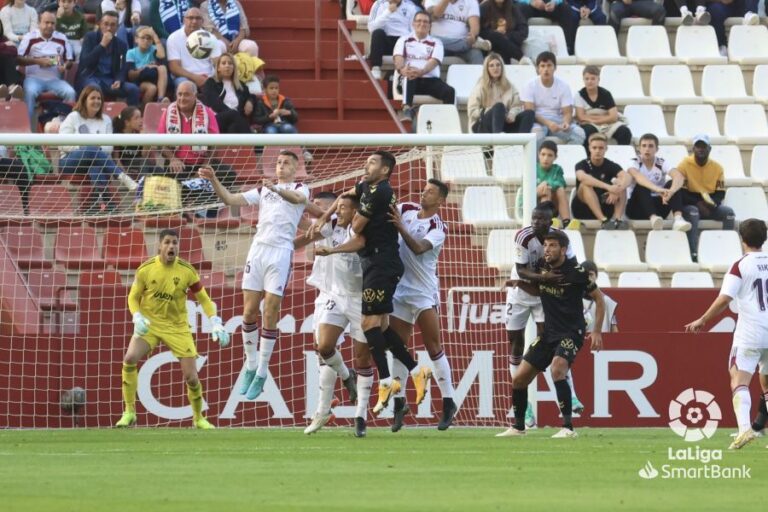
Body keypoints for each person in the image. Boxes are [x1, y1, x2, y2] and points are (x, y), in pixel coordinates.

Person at [312, 151, 432, 415]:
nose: (367, 166)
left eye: (373, 163)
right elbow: (346, 196)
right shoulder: (367, 186)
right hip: (374, 265)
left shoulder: (381, 192)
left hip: (382, 263)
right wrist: (325, 214)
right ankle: (416, 371)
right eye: (367, 162)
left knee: (369, 325)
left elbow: (357, 227)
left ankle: (387, 382)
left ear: (386, 170)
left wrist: (338, 238)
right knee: (381, 327)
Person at [198, 151, 324, 400]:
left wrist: (276, 190)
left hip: (280, 252)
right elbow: (231, 199)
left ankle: (263, 371)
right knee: (248, 311)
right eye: (277, 162)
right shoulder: (263, 190)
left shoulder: (301, 188)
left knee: (270, 311)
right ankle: (251, 364)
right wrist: (214, 180)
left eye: (286, 162)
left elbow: (297, 199)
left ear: (296, 168)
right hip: (257, 251)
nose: (280, 165)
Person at [115, 228, 230, 429]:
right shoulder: (146, 269)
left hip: (177, 327)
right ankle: (129, 412)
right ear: (159, 245)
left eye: (175, 243)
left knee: (191, 377)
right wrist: (137, 316)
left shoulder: (187, 271)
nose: (171, 246)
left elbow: (204, 299)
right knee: (130, 359)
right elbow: (133, 297)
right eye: (167, 242)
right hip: (150, 324)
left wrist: (216, 322)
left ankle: (198, 418)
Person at [498, 231, 605, 438]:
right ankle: (519, 427)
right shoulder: (542, 269)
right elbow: (541, 291)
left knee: (557, 369)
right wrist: (519, 284)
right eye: (546, 245)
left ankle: (567, 428)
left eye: (553, 245)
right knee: (519, 379)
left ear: (563, 250)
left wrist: (598, 331)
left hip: (572, 332)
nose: (547, 249)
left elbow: (599, 300)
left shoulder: (577, 272)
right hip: (549, 333)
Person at [685, 218, 768, 450]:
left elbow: (725, 299)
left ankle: (744, 430)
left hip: (750, 333)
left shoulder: (741, 265)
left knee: (739, 379)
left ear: (742, 240)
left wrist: (703, 319)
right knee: (767, 384)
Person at [500, 202, 581, 430]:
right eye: (534, 218)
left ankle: (569, 396)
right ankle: (524, 408)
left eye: (542, 219)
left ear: (551, 219)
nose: (537, 223)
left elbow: (572, 266)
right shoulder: (523, 237)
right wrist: (546, 278)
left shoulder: (560, 239)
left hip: (544, 297)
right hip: (520, 293)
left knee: (552, 343)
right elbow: (522, 269)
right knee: (515, 343)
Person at [386, 179, 457, 432]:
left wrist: (400, 228)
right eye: (424, 189)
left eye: (431, 192)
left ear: (441, 201)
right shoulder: (405, 209)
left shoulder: (438, 226)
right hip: (400, 290)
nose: (424, 193)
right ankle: (398, 403)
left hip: (424, 293)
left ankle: (449, 402)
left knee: (433, 345)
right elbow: (387, 206)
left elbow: (417, 248)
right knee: (398, 347)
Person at [302, 194, 365, 435]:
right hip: (329, 295)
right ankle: (330, 400)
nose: (315, 210)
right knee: (323, 349)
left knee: (363, 357)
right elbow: (306, 229)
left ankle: (333, 408)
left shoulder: (357, 230)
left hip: (356, 297)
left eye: (321, 207)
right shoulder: (328, 227)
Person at [58, 85, 139, 213]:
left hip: (96, 160)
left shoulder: (105, 120)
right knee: (92, 151)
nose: (96, 101)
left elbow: (108, 147)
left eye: (99, 98)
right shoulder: (73, 117)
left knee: (95, 165)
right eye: (93, 98)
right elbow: (62, 144)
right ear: (84, 100)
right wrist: (85, 147)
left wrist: (93, 148)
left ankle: (98, 203)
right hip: (70, 161)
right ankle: (122, 178)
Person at [157, 81, 236, 196]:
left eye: (186, 94)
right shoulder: (168, 112)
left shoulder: (207, 112)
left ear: (195, 95)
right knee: (169, 178)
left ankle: (195, 194)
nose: (182, 98)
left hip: (201, 162)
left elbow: (215, 144)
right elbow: (159, 143)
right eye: (179, 94)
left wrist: (205, 165)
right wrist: (172, 159)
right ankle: (194, 191)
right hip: (179, 165)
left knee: (228, 174)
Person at [676, 134, 735, 262]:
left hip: (709, 204)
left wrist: (712, 204)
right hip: (691, 202)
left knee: (729, 213)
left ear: (710, 149)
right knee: (693, 212)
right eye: (698, 146)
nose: (701, 149)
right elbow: (681, 192)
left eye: (704, 146)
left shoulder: (717, 168)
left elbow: (720, 193)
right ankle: (692, 253)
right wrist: (698, 204)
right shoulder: (684, 165)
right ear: (693, 149)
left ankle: (727, 250)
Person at [392, 11, 456, 122]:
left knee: (450, 91)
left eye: (426, 21)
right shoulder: (403, 39)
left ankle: (446, 120)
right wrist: (402, 69)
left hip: (430, 80)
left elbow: (434, 61)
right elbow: (398, 58)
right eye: (419, 21)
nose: (422, 24)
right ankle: (407, 109)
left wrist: (422, 71)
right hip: (409, 79)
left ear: (430, 26)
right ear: (413, 24)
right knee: (409, 75)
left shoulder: (436, 42)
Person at [17, 10, 76, 127]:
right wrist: (37, 61)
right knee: (29, 92)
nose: (49, 26)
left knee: (71, 92)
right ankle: (27, 131)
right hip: (33, 78)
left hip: (54, 80)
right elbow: (18, 58)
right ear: (39, 23)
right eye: (46, 22)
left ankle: (64, 127)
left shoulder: (62, 39)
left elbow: (70, 60)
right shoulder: (30, 38)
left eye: (52, 23)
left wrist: (65, 66)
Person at [625, 133, 691, 232]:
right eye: (644, 146)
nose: (647, 149)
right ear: (639, 148)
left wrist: (671, 192)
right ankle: (653, 218)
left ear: (657, 149)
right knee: (641, 186)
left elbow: (679, 176)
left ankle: (678, 219)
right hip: (636, 208)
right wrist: (658, 189)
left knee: (672, 183)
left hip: (658, 207)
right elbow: (638, 177)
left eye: (651, 146)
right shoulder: (634, 162)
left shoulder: (661, 162)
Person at [76, 11, 140, 106]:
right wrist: (102, 45)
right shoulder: (90, 37)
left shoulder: (121, 44)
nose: (109, 28)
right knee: (95, 89)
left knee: (133, 89)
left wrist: (119, 79)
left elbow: (123, 67)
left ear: (117, 28)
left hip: (109, 80)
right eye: (106, 24)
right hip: (90, 77)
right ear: (100, 24)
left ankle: (128, 117)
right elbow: (85, 62)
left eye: (113, 25)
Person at [521, 51, 585, 146]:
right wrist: (548, 123)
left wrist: (566, 123)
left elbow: (567, 112)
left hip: (557, 121)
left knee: (580, 134)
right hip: (538, 121)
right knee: (536, 137)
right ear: (538, 69)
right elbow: (530, 112)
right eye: (542, 66)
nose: (546, 69)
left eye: (549, 65)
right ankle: (539, 161)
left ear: (555, 68)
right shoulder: (530, 85)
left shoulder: (563, 86)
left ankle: (563, 159)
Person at [571, 132, 629, 230]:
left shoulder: (610, 164)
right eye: (594, 148)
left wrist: (617, 189)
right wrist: (609, 187)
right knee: (585, 184)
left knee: (621, 183)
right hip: (582, 209)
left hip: (605, 207)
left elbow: (627, 176)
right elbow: (582, 177)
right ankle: (603, 220)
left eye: (601, 148)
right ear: (589, 148)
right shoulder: (581, 164)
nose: (597, 151)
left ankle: (618, 220)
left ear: (606, 149)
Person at [467, 52, 534, 134]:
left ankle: (522, 143)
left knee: (529, 113)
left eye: (498, 65)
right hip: (482, 125)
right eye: (491, 65)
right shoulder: (480, 86)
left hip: (504, 123)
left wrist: (512, 114)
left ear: (502, 67)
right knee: (499, 106)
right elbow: (471, 111)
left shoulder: (509, 86)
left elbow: (517, 105)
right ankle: (498, 143)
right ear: (487, 69)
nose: (495, 68)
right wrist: (488, 110)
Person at [573, 65, 631, 147]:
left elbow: (613, 117)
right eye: (587, 79)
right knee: (587, 132)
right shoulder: (579, 95)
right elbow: (581, 117)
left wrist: (596, 120)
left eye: (593, 78)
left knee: (625, 132)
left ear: (598, 80)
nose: (590, 81)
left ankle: (621, 157)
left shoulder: (606, 94)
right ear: (583, 80)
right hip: (591, 124)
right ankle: (589, 158)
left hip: (608, 124)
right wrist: (602, 119)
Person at [167, 7, 222, 90]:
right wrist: (195, 78)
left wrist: (210, 78)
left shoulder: (211, 38)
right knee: (184, 84)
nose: (194, 21)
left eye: (198, 18)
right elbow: (174, 68)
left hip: (208, 77)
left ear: (202, 22)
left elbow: (217, 63)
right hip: (185, 77)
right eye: (190, 18)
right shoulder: (174, 38)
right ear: (184, 20)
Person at [200, 52, 255, 134]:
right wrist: (234, 114)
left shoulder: (240, 85)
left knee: (233, 127)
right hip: (216, 118)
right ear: (218, 68)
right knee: (233, 115)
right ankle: (254, 142)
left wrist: (250, 101)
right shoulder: (211, 83)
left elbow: (251, 96)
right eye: (223, 63)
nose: (227, 66)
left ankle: (232, 146)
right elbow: (214, 103)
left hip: (235, 121)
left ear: (234, 67)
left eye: (230, 63)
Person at [425, 0, 490, 65]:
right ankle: (466, 44)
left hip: (462, 46)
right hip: (439, 45)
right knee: (433, 40)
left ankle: (467, 45)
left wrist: (473, 36)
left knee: (476, 54)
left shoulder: (471, 1)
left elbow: (474, 25)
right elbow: (435, 15)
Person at [367, 0, 419, 80]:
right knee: (378, 33)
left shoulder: (410, 6)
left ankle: (404, 73)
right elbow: (371, 28)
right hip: (386, 42)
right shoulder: (379, 4)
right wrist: (388, 12)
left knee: (413, 39)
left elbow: (414, 30)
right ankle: (376, 68)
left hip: (402, 42)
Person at [535, 140, 575, 228]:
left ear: (555, 157)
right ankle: (544, 222)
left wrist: (547, 183)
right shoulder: (531, 168)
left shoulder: (557, 169)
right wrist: (541, 188)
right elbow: (526, 192)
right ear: (538, 154)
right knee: (545, 191)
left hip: (553, 205)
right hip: (534, 206)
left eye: (550, 155)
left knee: (559, 189)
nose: (546, 158)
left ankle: (566, 222)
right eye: (543, 154)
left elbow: (561, 183)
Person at [112, 106, 160, 177]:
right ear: (127, 122)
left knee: (159, 170)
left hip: (140, 164)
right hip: (125, 165)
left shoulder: (139, 134)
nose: (141, 120)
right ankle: (142, 186)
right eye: (136, 118)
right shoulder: (118, 135)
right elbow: (116, 158)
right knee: (143, 163)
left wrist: (145, 139)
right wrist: (125, 174)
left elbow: (144, 155)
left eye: (141, 117)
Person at [126, 26, 169, 105]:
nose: (146, 41)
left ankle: (160, 99)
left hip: (154, 78)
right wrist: (145, 67)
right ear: (136, 39)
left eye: (149, 38)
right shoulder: (131, 53)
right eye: (143, 38)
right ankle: (143, 111)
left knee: (162, 68)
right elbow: (131, 75)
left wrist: (155, 37)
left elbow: (162, 56)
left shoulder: (153, 49)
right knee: (152, 88)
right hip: (139, 80)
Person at [478, 0, 528, 65]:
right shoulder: (484, 7)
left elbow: (523, 30)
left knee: (502, 49)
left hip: (509, 41)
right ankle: (520, 57)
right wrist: (496, 32)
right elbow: (480, 31)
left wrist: (505, 35)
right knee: (496, 36)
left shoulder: (513, 8)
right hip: (489, 43)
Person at [580, 260, 618, 333]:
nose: (588, 278)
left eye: (591, 274)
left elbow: (613, 327)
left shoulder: (607, 301)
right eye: (585, 275)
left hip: (603, 342)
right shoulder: (574, 299)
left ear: (596, 276)